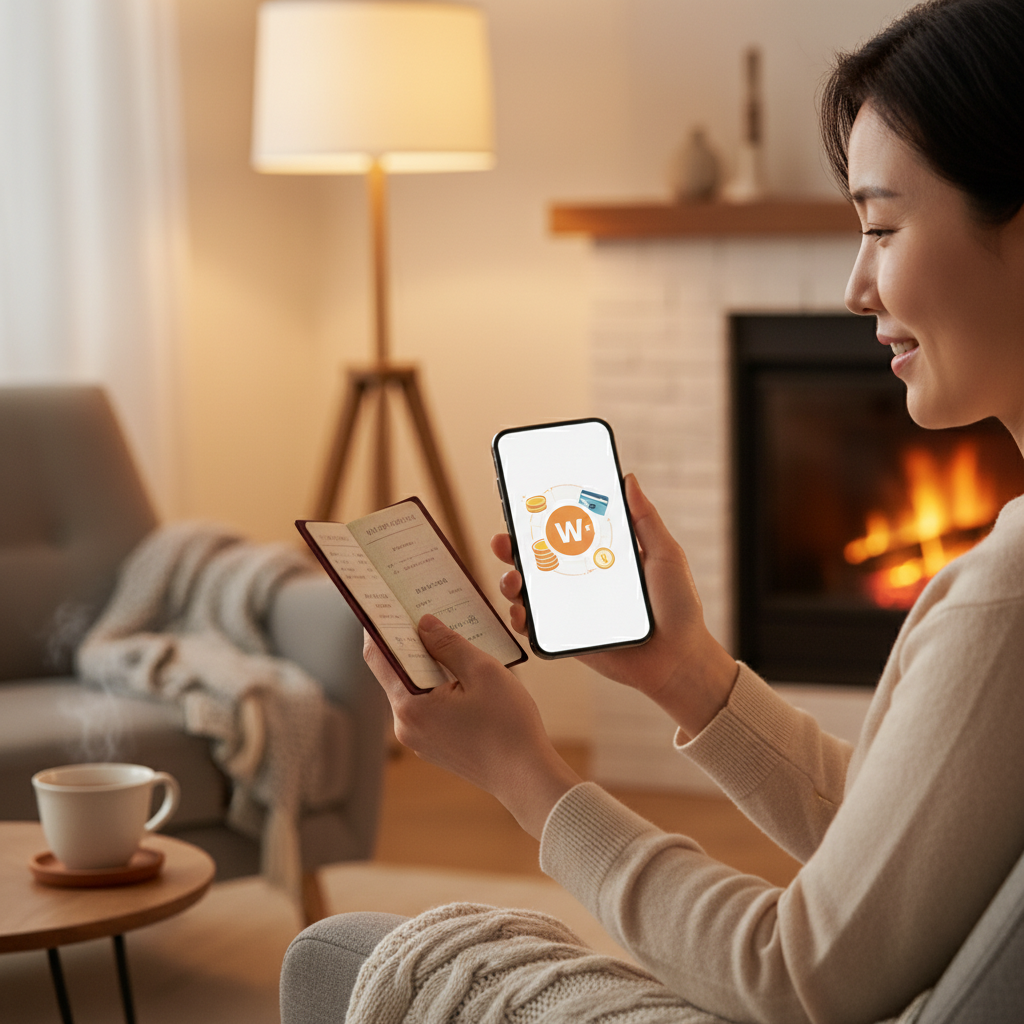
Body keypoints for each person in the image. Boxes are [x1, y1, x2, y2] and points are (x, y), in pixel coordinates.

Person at [289, 1, 1024, 1021]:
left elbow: (800, 976)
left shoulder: (1007, 599)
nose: (856, 286)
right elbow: (902, 848)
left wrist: (524, 772)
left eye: (882, 225)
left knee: (333, 958)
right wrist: (690, 677)